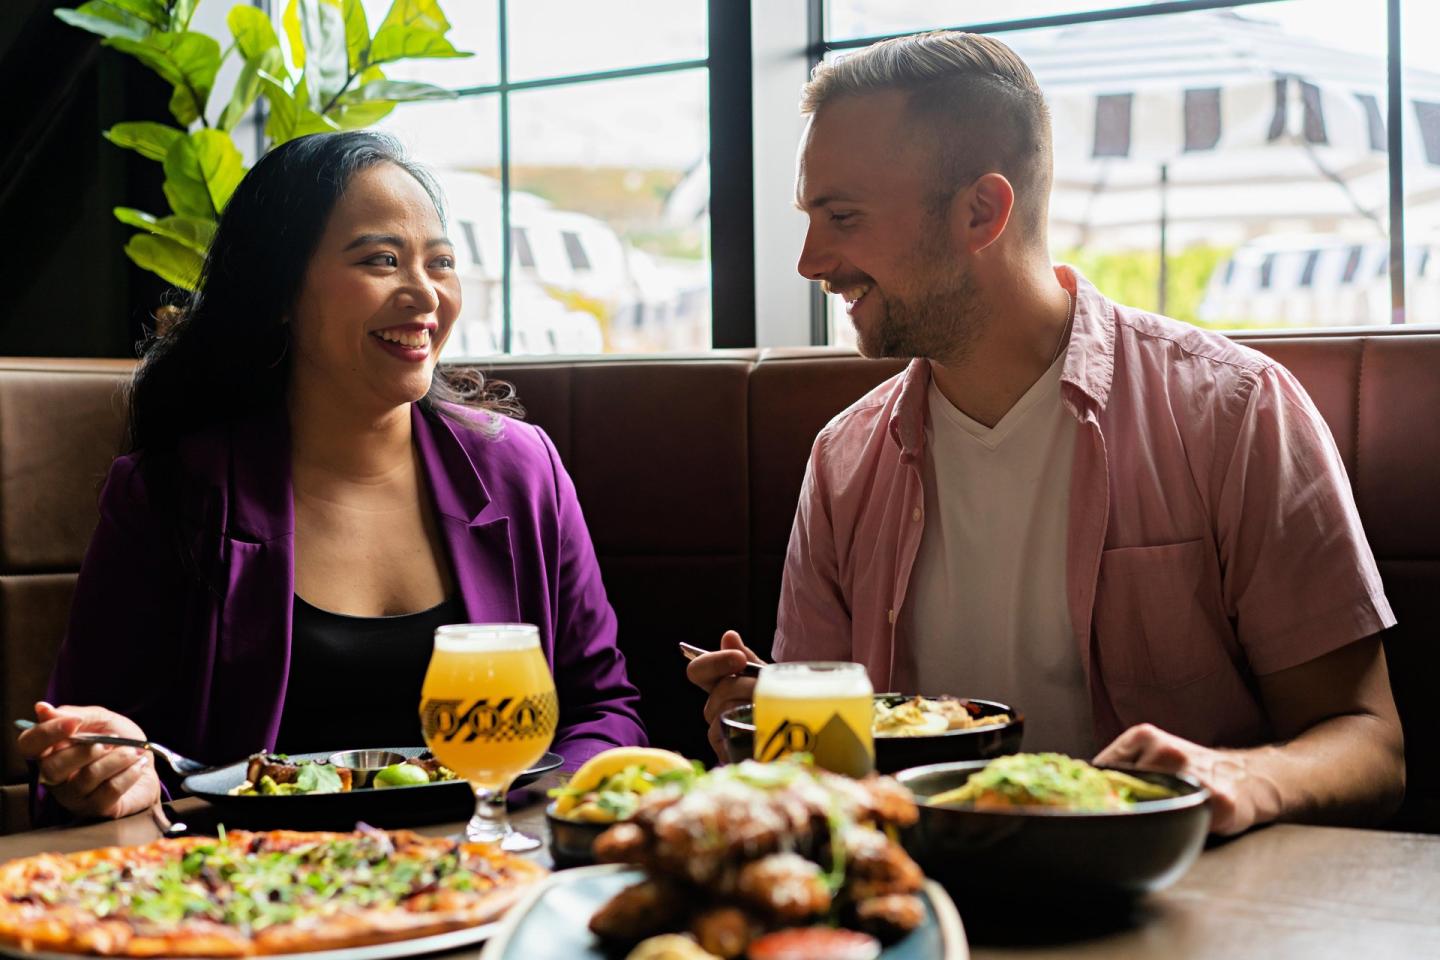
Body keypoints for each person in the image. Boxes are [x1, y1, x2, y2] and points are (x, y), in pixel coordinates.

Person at [689, 31, 1403, 835]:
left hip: (1176, 896)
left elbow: (1371, 745)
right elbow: (829, 773)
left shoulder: (1235, 412)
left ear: (981, 212)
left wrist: (1237, 775)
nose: (811, 261)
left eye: (843, 217)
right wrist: (769, 725)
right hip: (926, 901)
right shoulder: (843, 459)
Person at [18, 131, 645, 824]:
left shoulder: (521, 470)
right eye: (382, 259)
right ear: (280, 289)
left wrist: (534, 815)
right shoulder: (173, 493)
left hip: (491, 874)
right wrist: (109, 771)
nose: (424, 293)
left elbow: (602, 711)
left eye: (440, 262)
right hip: (256, 899)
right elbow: (93, 753)